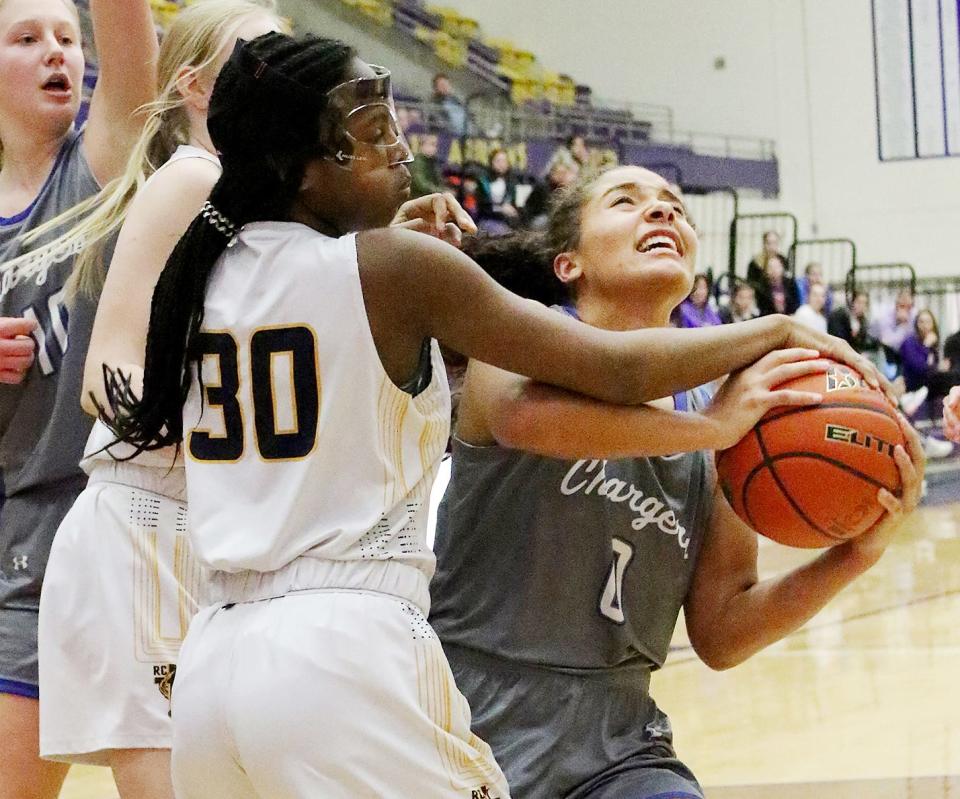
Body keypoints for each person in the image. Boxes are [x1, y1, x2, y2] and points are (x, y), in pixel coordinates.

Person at [102, 33, 883, 798]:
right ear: (306, 165)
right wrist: (773, 341)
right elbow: (607, 374)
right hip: (344, 644)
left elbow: (721, 623)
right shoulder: (397, 272)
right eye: (374, 134)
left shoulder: (218, 274)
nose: (402, 152)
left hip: (214, 657)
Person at [428, 165, 925, 799]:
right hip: (467, 719)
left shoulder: (726, 423)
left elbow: (722, 630)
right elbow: (523, 418)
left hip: (620, 746)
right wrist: (709, 430)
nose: (662, 213)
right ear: (568, 263)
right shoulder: (516, 331)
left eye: (676, 206)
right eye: (625, 202)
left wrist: (856, 553)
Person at [25, 4, 282, 797]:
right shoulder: (194, 179)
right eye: (254, 60)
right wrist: (219, 439)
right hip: (145, 522)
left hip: (219, 535)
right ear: (196, 86)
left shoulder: (273, 208)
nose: (278, 77)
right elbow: (108, 376)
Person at [0, 0, 156, 796]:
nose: (56, 52)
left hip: (133, 520)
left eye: (66, 37)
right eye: (26, 39)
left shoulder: (97, 164)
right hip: (28, 532)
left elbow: (131, 47)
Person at [478, 147, 519, 233]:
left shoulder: (511, 182)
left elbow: (514, 204)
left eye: (504, 161)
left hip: (507, 221)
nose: (501, 164)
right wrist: (500, 209)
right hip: (488, 219)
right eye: (498, 161)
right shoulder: (483, 181)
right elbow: (483, 206)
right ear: (491, 162)